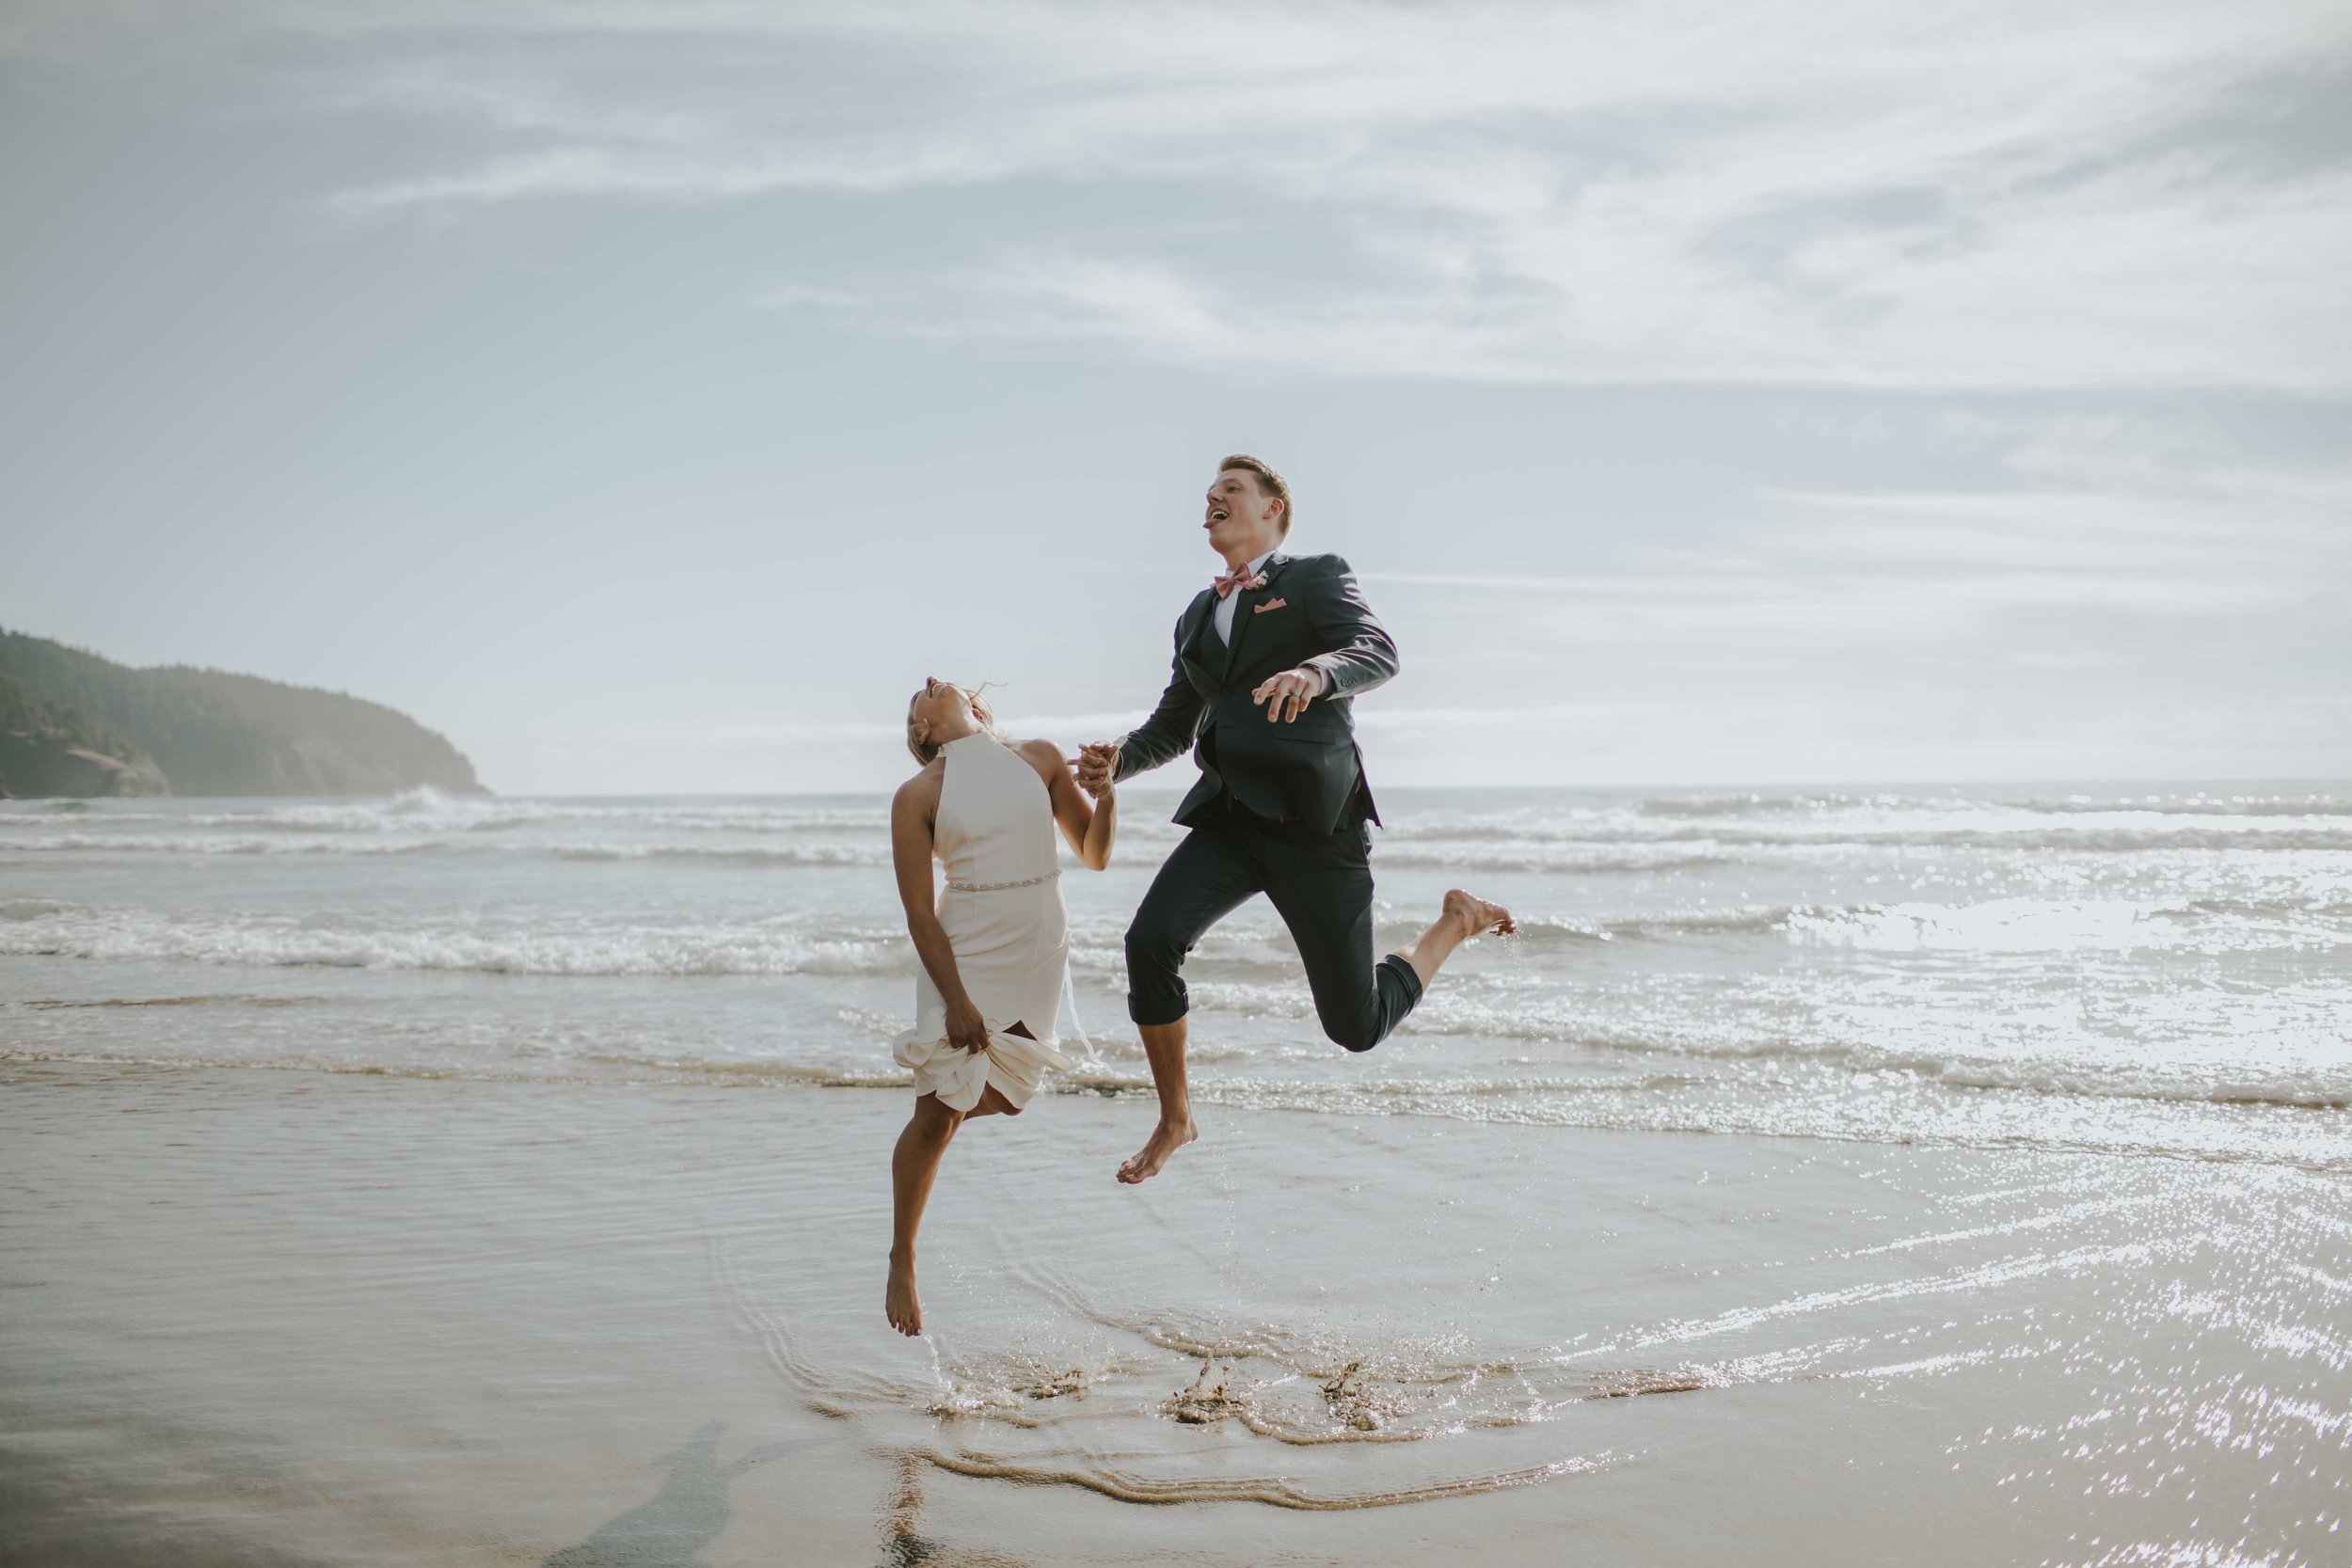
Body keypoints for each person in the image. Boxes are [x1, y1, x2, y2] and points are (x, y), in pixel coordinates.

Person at [1074, 455, 1512, 1185]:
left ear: (1275, 509)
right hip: (1232, 821)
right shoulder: (1194, 614)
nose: (1213, 497)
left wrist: (1317, 673)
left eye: (1232, 489)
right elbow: (1173, 727)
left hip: (1318, 824)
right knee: (1149, 940)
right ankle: (1175, 1115)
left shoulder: (1313, 575)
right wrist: (1114, 761)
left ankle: (1456, 922)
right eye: (1209, 491)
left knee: (1356, 1027)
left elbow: (1377, 650)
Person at [885, 677, 1116, 1336]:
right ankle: (903, 1255)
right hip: (964, 949)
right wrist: (955, 999)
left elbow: (1094, 853)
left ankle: (939, 1117)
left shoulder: (1037, 758)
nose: (928, 686)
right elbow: (918, 914)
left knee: (1011, 1093)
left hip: (1037, 946)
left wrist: (1109, 794)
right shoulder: (918, 795)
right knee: (936, 1112)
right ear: (923, 733)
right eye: (916, 701)